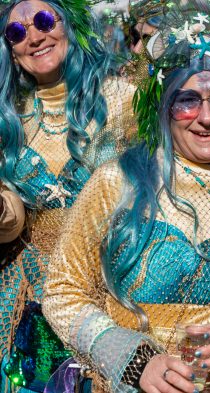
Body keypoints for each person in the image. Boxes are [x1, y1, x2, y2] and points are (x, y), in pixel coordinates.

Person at [43, 3, 210, 392]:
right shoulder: (119, 182)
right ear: (164, 108)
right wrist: (134, 362)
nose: (207, 117)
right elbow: (63, 291)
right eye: (187, 101)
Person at [0, 0, 136, 390]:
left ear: (69, 24)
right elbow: (11, 218)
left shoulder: (121, 98)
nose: (35, 37)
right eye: (17, 32)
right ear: (9, 48)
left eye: (44, 20)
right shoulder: (9, 116)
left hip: (109, 286)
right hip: (29, 302)